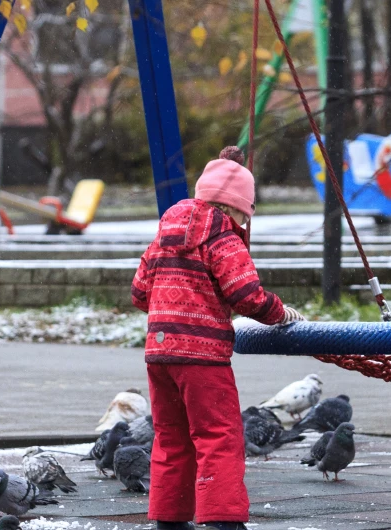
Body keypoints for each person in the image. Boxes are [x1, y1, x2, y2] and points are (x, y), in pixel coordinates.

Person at [132, 147, 304, 530]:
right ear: (235, 207)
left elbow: (139, 292)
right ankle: (223, 519)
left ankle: (169, 519)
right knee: (218, 436)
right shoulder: (222, 236)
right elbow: (246, 294)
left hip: (159, 353)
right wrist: (279, 312)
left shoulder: (164, 234)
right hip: (203, 357)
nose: (247, 221)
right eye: (248, 212)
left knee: (171, 438)